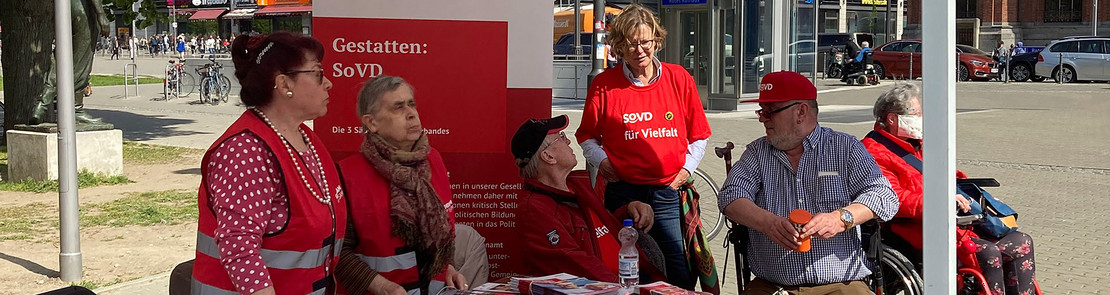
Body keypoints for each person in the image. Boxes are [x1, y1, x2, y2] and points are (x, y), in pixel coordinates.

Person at [191, 31, 346, 295]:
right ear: (284, 84)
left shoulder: (306, 139)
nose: (329, 83)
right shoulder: (244, 151)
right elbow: (240, 250)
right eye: (318, 73)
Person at [717, 71, 899, 294]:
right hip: (774, 286)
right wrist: (768, 223)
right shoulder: (758, 153)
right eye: (761, 111)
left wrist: (840, 218)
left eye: (770, 111)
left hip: (842, 284)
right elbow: (730, 196)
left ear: (801, 112)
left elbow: (884, 196)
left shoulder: (844, 147)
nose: (762, 118)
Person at [575, 3, 713, 290]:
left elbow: (699, 134)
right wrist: (601, 161)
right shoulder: (603, 85)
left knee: (676, 266)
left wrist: (687, 169)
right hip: (622, 191)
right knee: (626, 264)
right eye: (630, 43)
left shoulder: (679, 78)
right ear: (619, 47)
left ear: (657, 41)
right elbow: (587, 135)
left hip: (666, 193)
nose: (639, 50)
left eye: (645, 42)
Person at [862, 82, 1037, 295]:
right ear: (892, 118)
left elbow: (944, 173)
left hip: (953, 218)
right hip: (914, 227)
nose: (920, 118)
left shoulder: (918, 143)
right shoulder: (873, 152)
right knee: (988, 252)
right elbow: (893, 198)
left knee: (1021, 242)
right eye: (916, 113)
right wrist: (940, 201)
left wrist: (968, 191)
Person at [335, 75, 468, 295]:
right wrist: (381, 286)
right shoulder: (348, 174)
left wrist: (448, 268)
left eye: (411, 104)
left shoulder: (433, 160)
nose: (411, 113)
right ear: (371, 122)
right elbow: (338, 253)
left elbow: (444, 231)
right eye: (398, 107)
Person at [512, 115, 665, 282]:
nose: (568, 142)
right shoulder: (534, 209)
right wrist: (624, 291)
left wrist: (627, 212)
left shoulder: (575, 188)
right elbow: (572, 262)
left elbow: (597, 231)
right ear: (548, 157)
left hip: (629, 279)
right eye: (561, 138)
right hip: (609, 288)